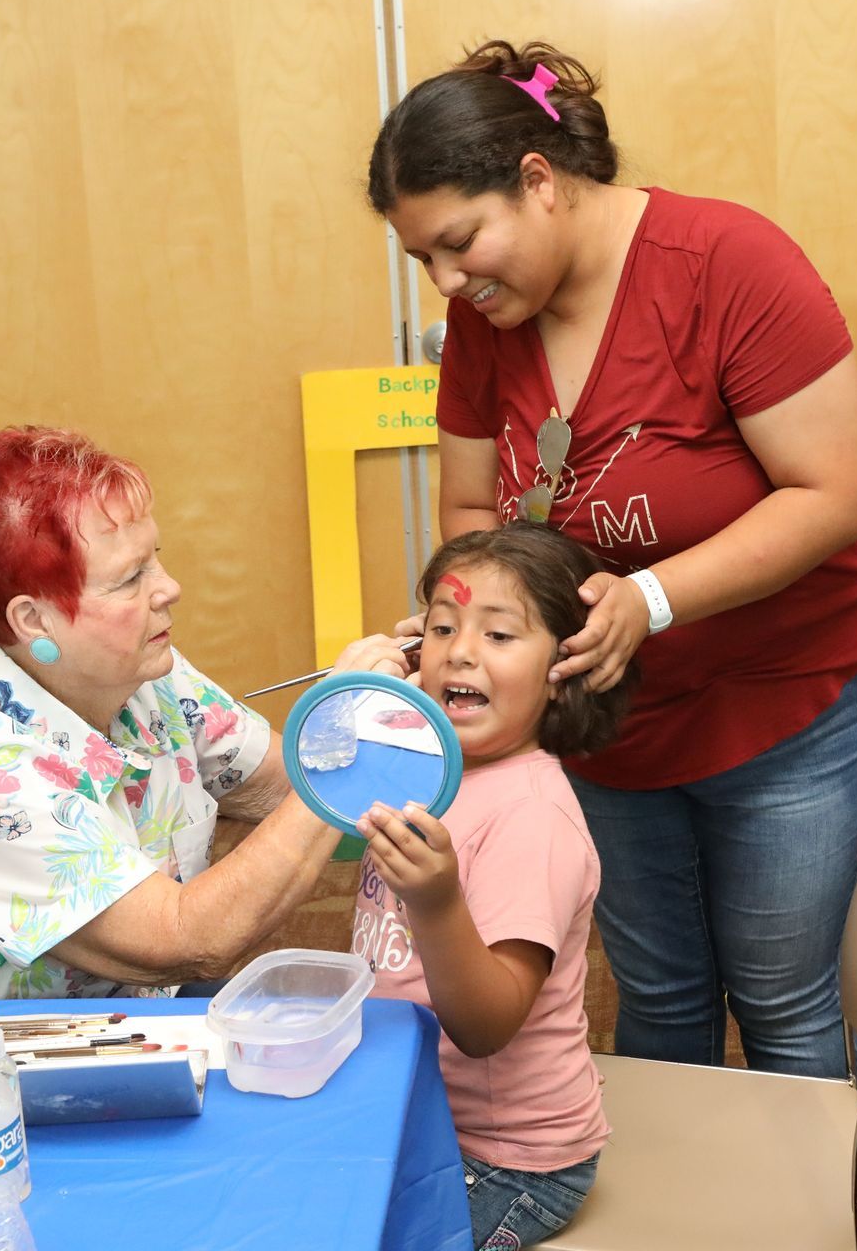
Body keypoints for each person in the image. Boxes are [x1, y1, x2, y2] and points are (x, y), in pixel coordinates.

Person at [368, 41, 857, 1077]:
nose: (446, 279)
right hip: (608, 707)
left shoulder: (728, 265)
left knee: (783, 994)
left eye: (459, 241)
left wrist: (651, 598)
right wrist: (460, 630)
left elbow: (836, 493)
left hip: (781, 689)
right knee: (658, 990)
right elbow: (475, 507)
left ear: (539, 181)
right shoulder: (485, 316)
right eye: (421, 258)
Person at [0, 427, 408, 1003]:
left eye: (155, 560)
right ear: (33, 621)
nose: (170, 588)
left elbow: (281, 787)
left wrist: (422, 704)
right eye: (131, 579)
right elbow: (189, 939)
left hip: (106, 1017)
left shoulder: (142, 672)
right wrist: (332, 733)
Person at [353, 523, 635, 1249]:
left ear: (562, 669)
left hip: (506, 1163)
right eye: (442, 627)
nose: (461, 650)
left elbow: (486, 1027)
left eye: (500, 636)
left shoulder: (532, 819)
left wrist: (437, 902)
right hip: (416, 1112)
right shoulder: (427, 774)